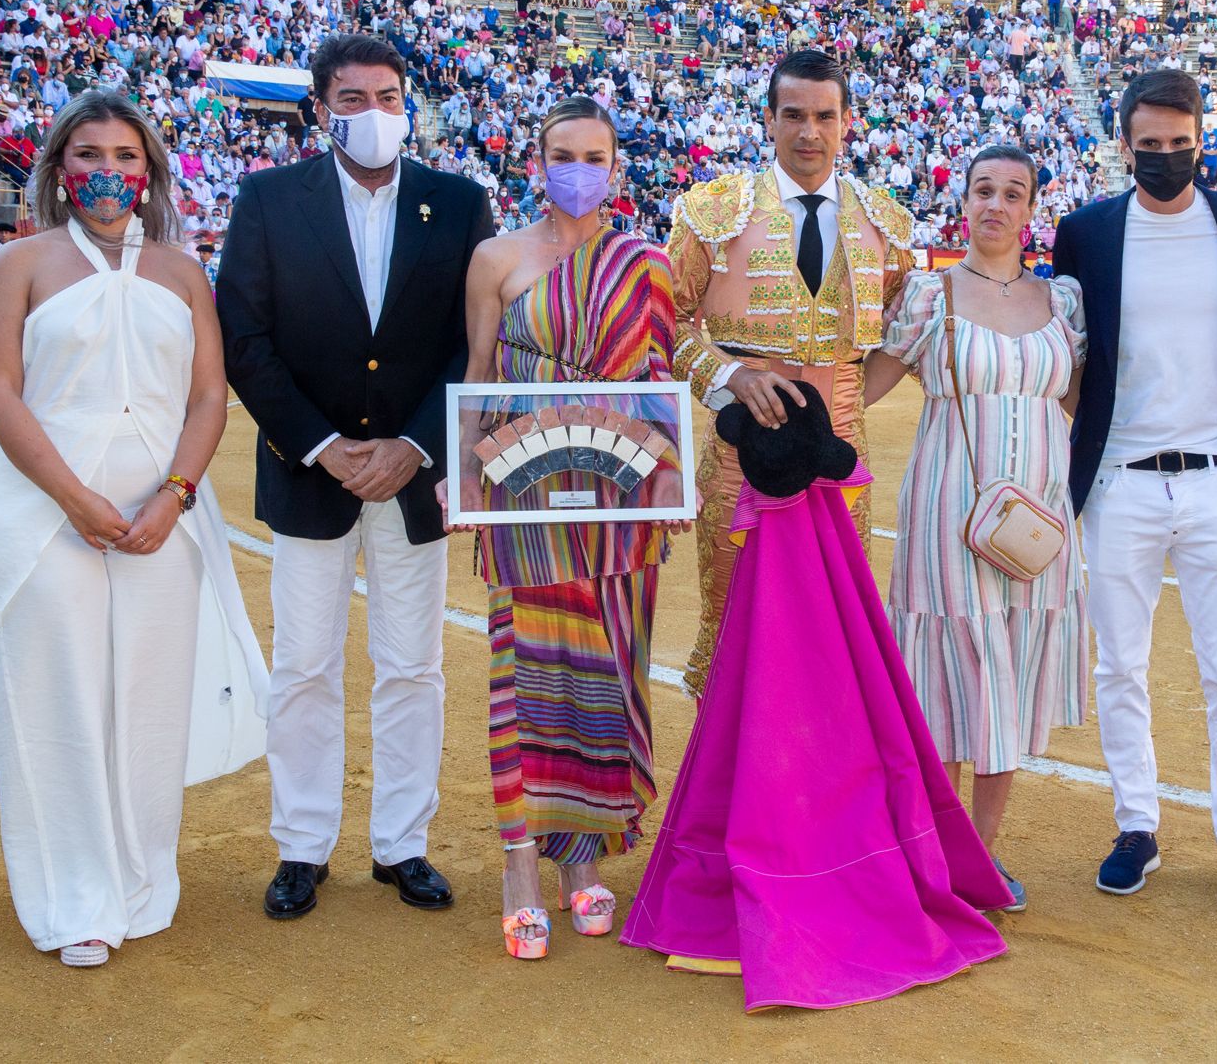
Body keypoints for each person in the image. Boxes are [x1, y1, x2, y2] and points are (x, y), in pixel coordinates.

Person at [0, 89, 269, 968]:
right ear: (59, 167)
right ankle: (72, 900)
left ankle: (137, 882)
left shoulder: (181, 271)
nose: (108, 172)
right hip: (42, 516)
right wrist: (71, 498)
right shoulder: (21, 262)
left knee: (149, 699)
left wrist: (174, 494)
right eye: (89, 155)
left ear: (151, 171)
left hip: (164, 522)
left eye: (127, 157)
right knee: (56, 695)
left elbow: (210, 396)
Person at [217, 33, 493, 921]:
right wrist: (321, 443)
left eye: (386, 95)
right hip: (311, 472)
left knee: (412, 665)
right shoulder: (267, 199)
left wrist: (414, 443)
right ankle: (302, 845)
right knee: (302, 664)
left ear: (407, 102)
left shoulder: (458, 203)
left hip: (414, 476)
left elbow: (471, 343)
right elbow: (244, 340)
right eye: (351, 98)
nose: (372, 113)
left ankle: (402, 844)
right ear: (318, 109)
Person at [619, 386, 1009, 1011]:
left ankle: (754, 831)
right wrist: (732, 375)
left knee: (779, 675)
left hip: (806, 475)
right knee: (776, 665)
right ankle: (795, 830)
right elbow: (680, 335)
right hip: (742, 473)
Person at [1049, 68, 1217, 919]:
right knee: (1120, 665)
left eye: (1177, 144)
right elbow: (1072, 354)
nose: (1162, 156)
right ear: (1125, 144)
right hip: (1120, 482)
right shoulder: (1083, 232)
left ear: (1202, 140)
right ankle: (1137, 824)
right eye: (1147, 145)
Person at [456, 96, 679, 960]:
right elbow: (477, 376)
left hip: (618, 508)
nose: (578, 169)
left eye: (594, 155)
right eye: (562, 152)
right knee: (527, 679)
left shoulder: (647, 264)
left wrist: (667, 479)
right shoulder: (496, 258)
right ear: (535, 160)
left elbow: (659, 394)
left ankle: (582, 865)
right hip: (523, 496)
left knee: (603, 680)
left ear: (616, 167)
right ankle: (520, 865)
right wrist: (464, 476)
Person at [863, 145, 1087, 913]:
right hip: (947, 508)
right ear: (964, 201)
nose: (996, 203)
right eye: (983, 189)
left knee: (1012, 669)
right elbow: (864, 387)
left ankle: (982, 856)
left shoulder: (1066, 301)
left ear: (1032, 210)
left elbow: (1085, 405)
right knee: (945, 675)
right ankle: (930, 854)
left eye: (1013, 192)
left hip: (1039, 516)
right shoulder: (930, 294)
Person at [665, 49, 916, 697]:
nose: (810, 131)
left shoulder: (883, 223)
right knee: (730, 632)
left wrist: (852, 395)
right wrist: (731, 378)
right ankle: (730, 796)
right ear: (770, 121)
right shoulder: (715, 210)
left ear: (846, 122)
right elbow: (667, 322)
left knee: (834, 634)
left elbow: (909, 331)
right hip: (736, 458)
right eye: (795, 115)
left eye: (824, 116)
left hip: (844, 461)